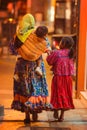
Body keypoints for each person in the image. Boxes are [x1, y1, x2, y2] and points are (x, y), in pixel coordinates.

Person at [10, 13, 52, 124]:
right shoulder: (37, 34)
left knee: (25, 89)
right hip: (35, 66)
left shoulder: (18, 36)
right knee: (36, 88)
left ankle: (27, 115)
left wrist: (24, 51)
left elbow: (13, 50)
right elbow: (46, 46)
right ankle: (34, 113)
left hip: (22, 67)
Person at [46, 36, 75, 122]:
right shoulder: (71, 53)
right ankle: (62, 116)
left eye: (61, 42)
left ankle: (55, 109)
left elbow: (49, 61)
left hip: (58, 78)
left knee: (57, 95)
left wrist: (49, 53)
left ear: (64, 44)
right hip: (68, 79)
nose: (60, 43)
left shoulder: (57, 53)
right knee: (65, 95)